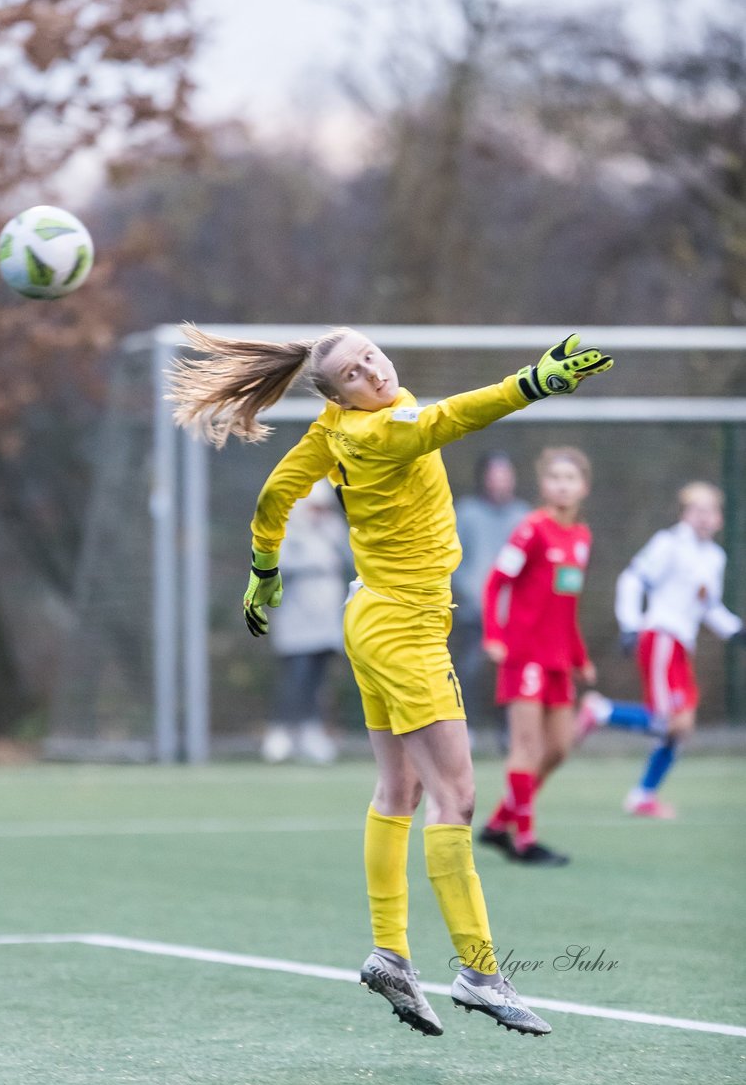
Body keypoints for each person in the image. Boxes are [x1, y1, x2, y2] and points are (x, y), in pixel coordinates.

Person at [167, 326, 612, 1038]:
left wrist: (263, 572)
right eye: (352, 371)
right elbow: (451, 417)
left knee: (397, 790)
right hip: (403, 629)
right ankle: (478, 972)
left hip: (368, 614)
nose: (371, 370)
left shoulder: (334, 427)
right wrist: (533, 382)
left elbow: (275, 495)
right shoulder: (385, 429)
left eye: (369, 355)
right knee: (456, 797)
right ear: (340, 393)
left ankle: (390, 953)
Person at [576, 481, 744, 817]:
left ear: (720, 518)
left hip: (683, 645)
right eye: (696, 510)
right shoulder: (668, 544)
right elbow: (632, 580)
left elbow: (707, 606)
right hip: (661, 637)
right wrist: (630, 624)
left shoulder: (714, 557)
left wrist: (736, 631)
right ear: (684, 514)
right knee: (667, 721)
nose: (704, 517)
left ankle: (643, 795)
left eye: (710, 510)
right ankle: (602, 711)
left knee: (682, 726)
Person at [478, 447, 596, 867]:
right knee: (526, 749)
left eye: (571, 478)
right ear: (543, 485)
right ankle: (525, 840)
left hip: (558, 661)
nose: (562, 485)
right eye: (555, 477)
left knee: (560, 749)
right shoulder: (531, 530)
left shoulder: (581, 537)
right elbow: (496, 583)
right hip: (523, 656)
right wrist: (495, 635)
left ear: (584, 486)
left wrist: (580, 656)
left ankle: (497, 823)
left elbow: (567, 606)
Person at [261, 478, 351, 764]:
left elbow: (349, 558)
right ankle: (282, 732)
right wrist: (312, 563)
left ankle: (312, 732)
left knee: (317, 678)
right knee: (296, 677)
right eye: (313, 508)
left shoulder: (333, 531)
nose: (318, 513)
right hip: (297, 620)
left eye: (322, 508)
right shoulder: (288, 533)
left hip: (326, 620)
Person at [451, 451, 530, 737]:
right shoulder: (468, 513)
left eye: (505, 474)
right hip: (476, 610)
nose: (500, 481)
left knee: (511, 672)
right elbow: (454, 561)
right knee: (470, 669)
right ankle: (465, 728)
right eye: (495, 475)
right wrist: (473, 594)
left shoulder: (523, 515)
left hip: (514, 612)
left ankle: (509, 730)